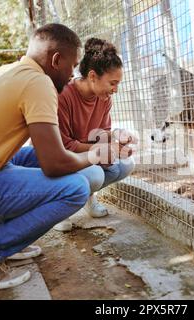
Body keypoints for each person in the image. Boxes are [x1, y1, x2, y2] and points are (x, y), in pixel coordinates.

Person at [0, 24, 114, 290]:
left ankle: (8, 241)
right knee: (75, 188)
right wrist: (96, 154)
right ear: (56, 59)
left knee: (30, 157)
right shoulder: (39, 83)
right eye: (71, 65)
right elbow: (54, 164)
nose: (72, 74)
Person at [52, 38, 138, 232]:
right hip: (62, 159)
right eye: (112, 83)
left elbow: (101, 133)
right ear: (92, 76)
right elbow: (63, 145)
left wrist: (117, 138)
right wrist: (102, 150)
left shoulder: (104, 98)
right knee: (95, 174)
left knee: (124, 165)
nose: (115, 90)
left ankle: (88, 198)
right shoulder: (64, 95)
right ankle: (58, 208)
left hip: (86, 154)